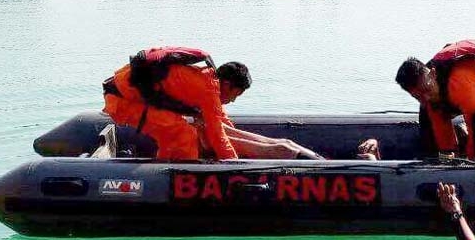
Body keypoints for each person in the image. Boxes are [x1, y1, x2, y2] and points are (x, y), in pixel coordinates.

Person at [102, 46, 320, 161]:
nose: (233, 100)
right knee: (184, 135)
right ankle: (170, 176)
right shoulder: (207, 89)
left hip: (138, 96)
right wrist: (235, 165)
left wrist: (277, 146)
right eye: (235, 94)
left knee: (191, 130)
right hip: (124, 101)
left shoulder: (208, 81)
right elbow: (218, 136)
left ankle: (167, 163)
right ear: (227, 84)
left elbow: (220, 122)